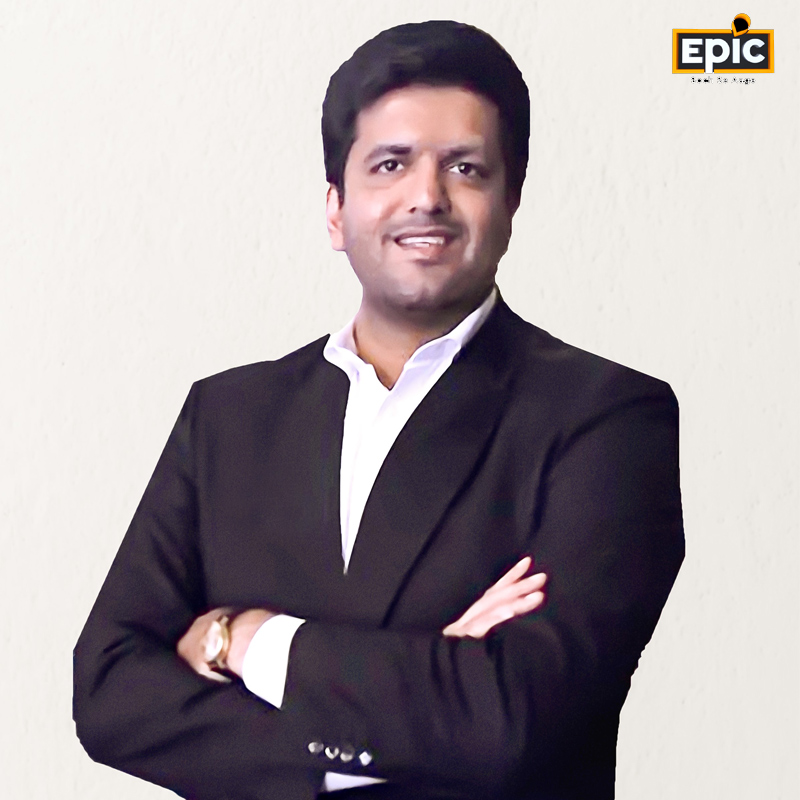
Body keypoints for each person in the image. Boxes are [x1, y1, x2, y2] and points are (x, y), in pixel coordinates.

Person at [73, 20, 684, 800]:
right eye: (390, 164)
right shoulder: (228, 416)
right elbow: (109, 692)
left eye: (465, 167)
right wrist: (414, 700)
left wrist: (248, 640)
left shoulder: (607, 419)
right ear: (335, 209)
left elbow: (515, 718)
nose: (426, 197)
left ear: (510, 203)